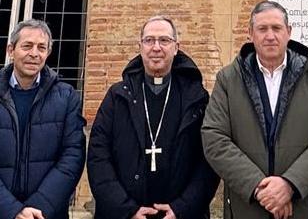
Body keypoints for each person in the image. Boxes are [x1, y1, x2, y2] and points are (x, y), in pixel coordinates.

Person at [202, 1, 308, 219]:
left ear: (289, 32)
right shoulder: (228, 79)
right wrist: (259, 188)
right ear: (250, 34)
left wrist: (289, 185)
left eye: (276, 28)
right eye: (262, 29)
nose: (270, 35)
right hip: (247, 207)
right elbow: (214, 137)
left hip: (301, 206)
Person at [0, 18, 86, 219]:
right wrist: (12, 211)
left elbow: (72, 157)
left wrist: (37, 209)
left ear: (48, 53)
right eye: (27, 46)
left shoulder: (67, 98)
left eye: (42, 47)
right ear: (10, 50)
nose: (34, 53)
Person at [89, 15, 219, 219]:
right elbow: (98, 156)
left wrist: (182, 208)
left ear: (176, 47)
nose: (156, 47)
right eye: (149, 40)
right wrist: (126, 210)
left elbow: (208, 160)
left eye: (164, 40)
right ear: (140, 46)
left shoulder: (196, 98)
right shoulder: (117, 96)